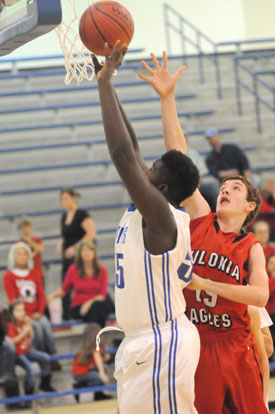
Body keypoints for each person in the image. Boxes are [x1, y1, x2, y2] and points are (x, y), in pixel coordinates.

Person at [139, 51, 269, 413]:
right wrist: (168, 98)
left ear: (249, 208)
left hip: (237, 344)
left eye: (236, 189)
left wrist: (205, 285)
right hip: (199, 342)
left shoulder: (251, 245)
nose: (226, 189)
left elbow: (259, 295)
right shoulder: (201, 217)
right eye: (225, 186)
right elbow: (176, 157)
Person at [92, 42, 201, 414]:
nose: (144, 168)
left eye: (152, 169)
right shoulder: (153, 208)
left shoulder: (161, 217)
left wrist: (105, 84)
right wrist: (107, 81)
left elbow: (122, 155)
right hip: (145, 343)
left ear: (164, 189)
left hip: (162, 343)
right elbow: (133, 146)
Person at [3, 242, 57, 357]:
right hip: (22, 315)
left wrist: (40, 312)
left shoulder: (35, 273)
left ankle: (53, 355)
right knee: (37, 328)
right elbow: (13, 300)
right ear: (13, 256)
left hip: (37, 313)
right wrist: (25, 316)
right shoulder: (8, 276)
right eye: (19, 254)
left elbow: (41, 295)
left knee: (45, 325)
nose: (22, 256)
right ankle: (41, 356)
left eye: (25, 254)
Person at [48, 240, 114, 327]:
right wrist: (52, 295)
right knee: (99, 312)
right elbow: (64, 290)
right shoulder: (73, 269)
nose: (87, 253)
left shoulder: (102, 270)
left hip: (96, 304)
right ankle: (98, 338)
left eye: (89, 250)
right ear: (79, 254)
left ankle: (93, 338)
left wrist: (88, 304)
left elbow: (102, 295)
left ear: (94, 252)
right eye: (84, 250)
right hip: (79, 306)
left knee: (97, 308)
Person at [58, 187, 96, 320]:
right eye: (62, 199)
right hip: (67, 257)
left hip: (80, 256)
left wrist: (75, 248)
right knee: (65, 286)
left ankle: (86, 312)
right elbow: (67, 235)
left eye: (66, 199)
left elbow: (91, 234)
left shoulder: (82, 214)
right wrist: (61, 244)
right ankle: (67, 316)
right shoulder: (64, 216)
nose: (64, 202)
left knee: (83, 285)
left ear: (73, 198)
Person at [8, 300, 55, 395]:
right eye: (18, 310)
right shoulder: (10, 325)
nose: (21, 313)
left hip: (27, 350)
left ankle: (45, 383)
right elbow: (13, 341)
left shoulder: (24, 322)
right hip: (18, 354)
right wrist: (24, 332)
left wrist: (29, 326)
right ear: (12, 313)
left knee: (45, 357)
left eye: (23, 310)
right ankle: (28, 391)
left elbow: (31, 338)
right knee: (30, 368)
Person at [72, 322, 111, 402]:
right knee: (99, 377)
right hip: (80, 373)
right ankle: (81, 387)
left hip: (80, 371)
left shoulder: (86, 345)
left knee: (104, 368)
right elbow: (97, 357)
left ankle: (98, 393)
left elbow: (100, 358)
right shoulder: (94, 346)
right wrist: (102, 374)